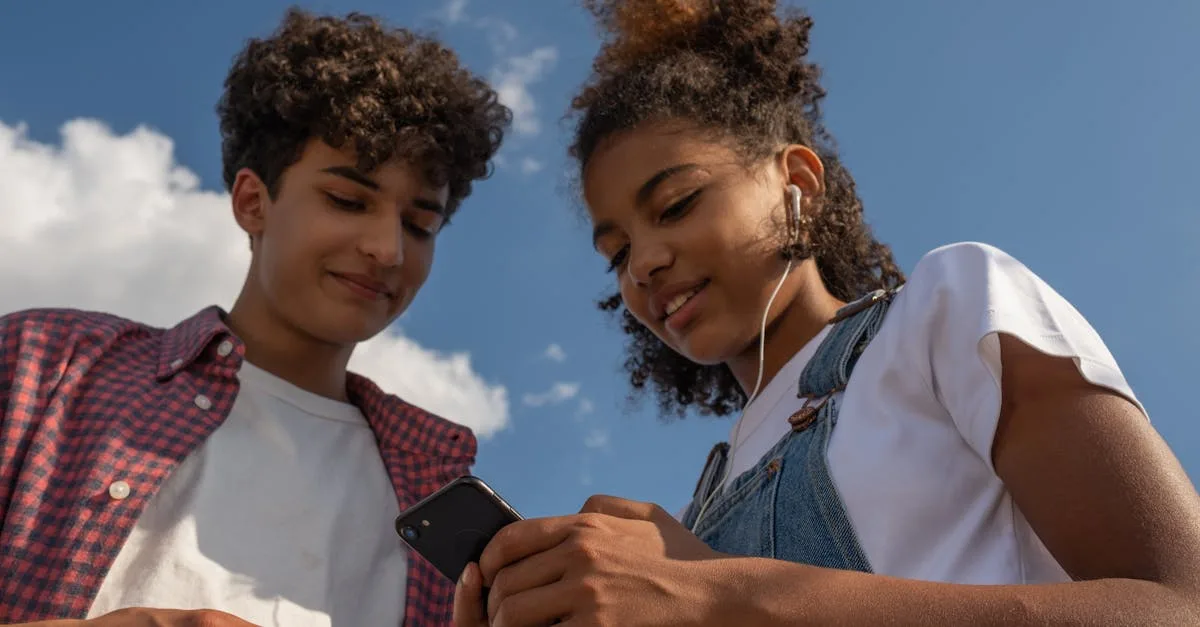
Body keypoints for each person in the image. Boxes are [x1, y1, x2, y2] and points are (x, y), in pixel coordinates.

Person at [453, 1, 1200, 625]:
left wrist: (717, 594)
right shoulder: (700, 503)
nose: (643, 262)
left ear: (796, 181)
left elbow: (1178, 604)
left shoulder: (946, 310)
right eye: (615, 252)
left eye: (676, 204)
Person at [0, 7, 509, 626]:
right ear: (252, 201)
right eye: (348, 200)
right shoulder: (41, 367)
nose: (388, 249)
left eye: (420, 224)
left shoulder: (435, 487)